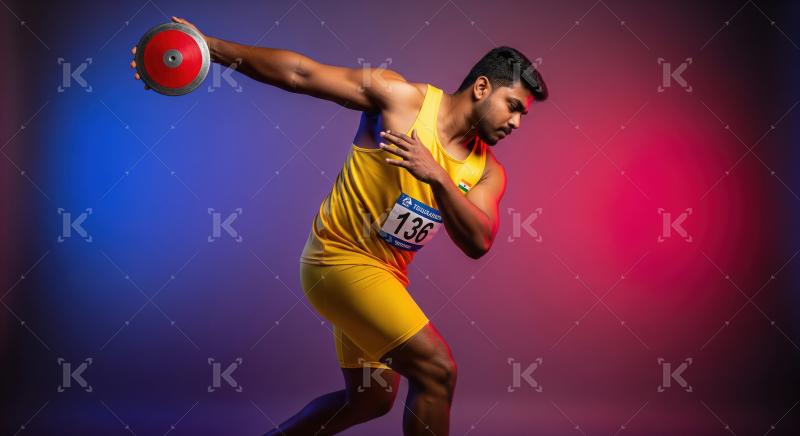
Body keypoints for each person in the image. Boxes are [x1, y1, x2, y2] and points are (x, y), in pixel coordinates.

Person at [130, 16, 548, 436]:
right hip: (336, 260)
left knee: (371, 399)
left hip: (385, 278)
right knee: (437, 371)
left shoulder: (488, 171)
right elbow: (300, 74)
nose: (516, 123)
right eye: (513, 106)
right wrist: (208, 47)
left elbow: (478, 241)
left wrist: (437, 176)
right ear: (481, 88)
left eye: (523, 116)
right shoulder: (401, 99)